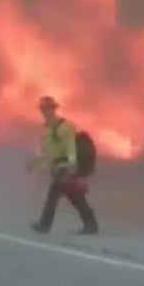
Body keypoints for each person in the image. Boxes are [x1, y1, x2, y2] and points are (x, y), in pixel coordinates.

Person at [27, 95, 99, 235]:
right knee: (75, 197)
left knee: (53, 196)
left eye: (47, 108)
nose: (45, 111)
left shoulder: (64, 127)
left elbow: (71, 148)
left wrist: (70, 165)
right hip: (59, 166)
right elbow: (49, 153)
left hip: (65, 166)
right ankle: (91, 225)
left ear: (53, 109)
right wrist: (35, 163)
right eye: (43, 108)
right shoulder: (48, 129)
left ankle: (44, 225)